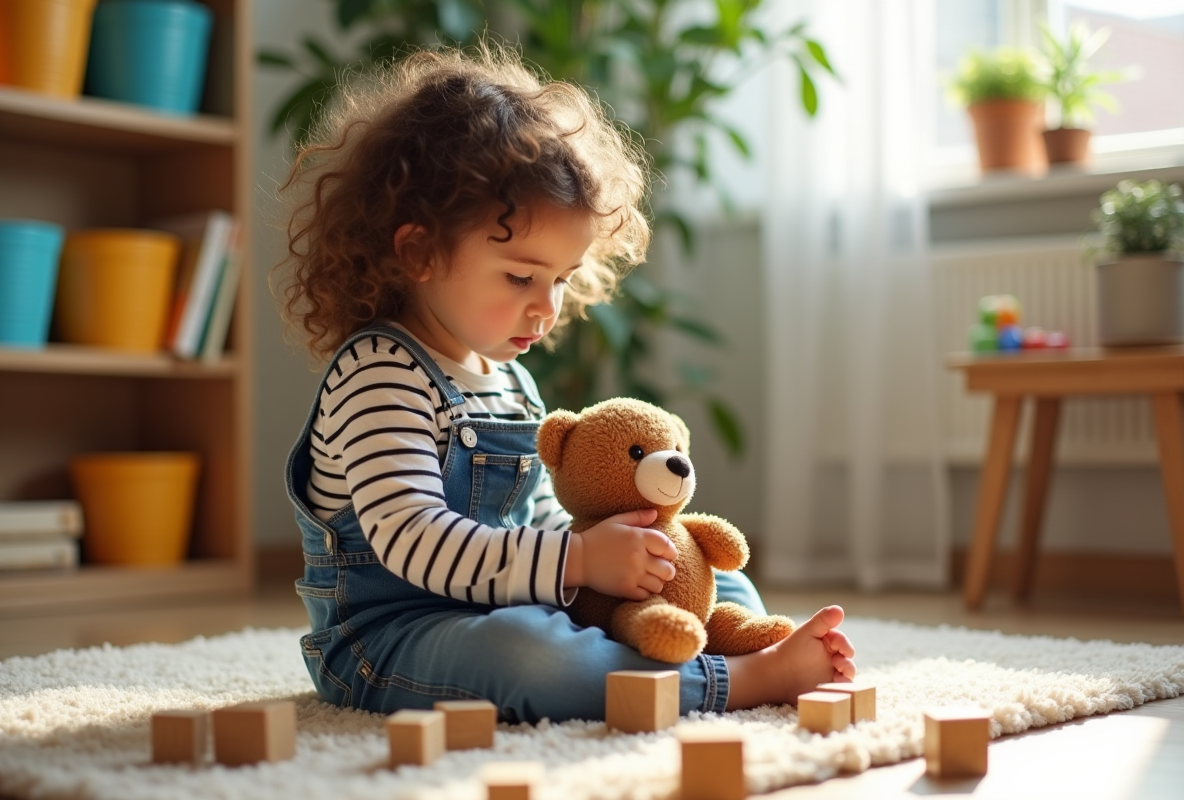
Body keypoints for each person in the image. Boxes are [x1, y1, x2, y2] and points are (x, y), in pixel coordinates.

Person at [276, 44, 855, 725]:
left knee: (702, 567)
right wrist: (580, 559)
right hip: (393, 639)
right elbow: (414, 540)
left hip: (514, 601)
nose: (546, 308)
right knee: (535, 657)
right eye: (521, 277)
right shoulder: (379, 373)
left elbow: (540, 515)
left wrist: (624, 551)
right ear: (418, 251)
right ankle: (730, 681)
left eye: (561, 279)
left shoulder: (511, 381)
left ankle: (741, 639)